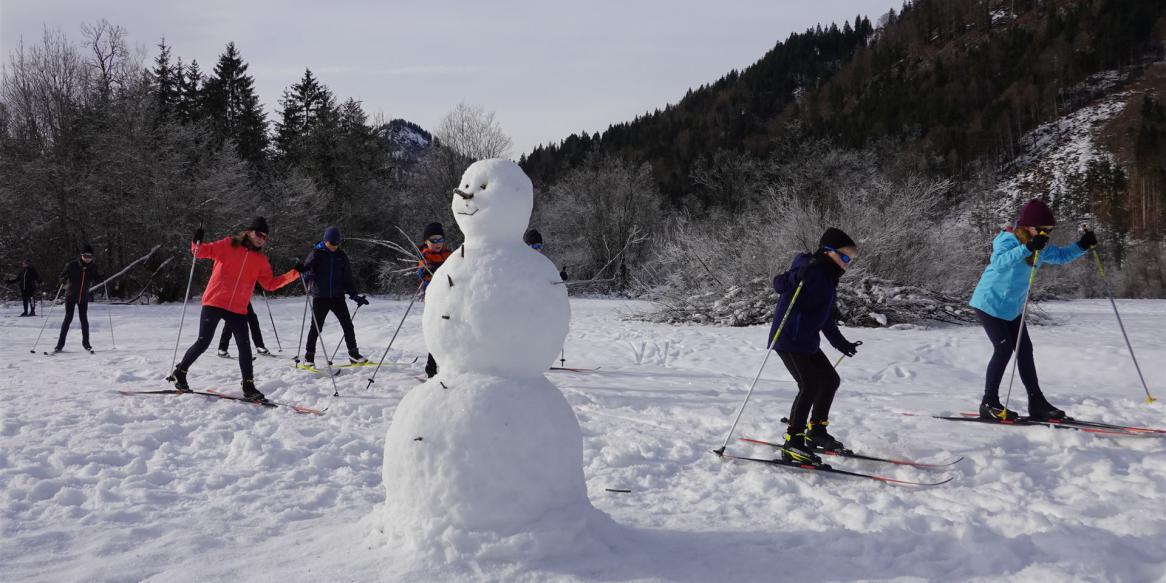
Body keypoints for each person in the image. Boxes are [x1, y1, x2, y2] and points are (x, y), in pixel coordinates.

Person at [970, 198, 1096, 421]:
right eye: (1042, 230)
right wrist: (1027, 247)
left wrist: (1082, 245)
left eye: (1049, 231)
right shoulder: (1007, 239)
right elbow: (999, 262)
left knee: (1025, 351)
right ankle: (988, 403)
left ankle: (1036, 403)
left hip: (1012, 308)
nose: (1046, 234)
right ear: (1027, 226)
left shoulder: (1041, 245)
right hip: (989, 303)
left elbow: (1061, 256)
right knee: (1003, 349)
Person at [170, 217, 300, 400]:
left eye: (265, 237)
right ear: (249, 232)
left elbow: (270, 284)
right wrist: (196, 240)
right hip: (215, 301)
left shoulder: (261, 260)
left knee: (245, 346)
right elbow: (199, 252)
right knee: (204, 341)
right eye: (259, 234)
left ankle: (248, 386)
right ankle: (180, 372)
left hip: (238, 307)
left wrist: (295, 273)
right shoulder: (229, 244)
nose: (261, 239)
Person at [769, 227, 862, 465]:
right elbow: (778, 284)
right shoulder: (808, 266)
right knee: (809, 385)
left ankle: (816, 432)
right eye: (844, 257)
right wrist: (796, 276)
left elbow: (825, 319)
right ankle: (793, 442)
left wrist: (842, 344)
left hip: (807, 341)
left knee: (830, 380)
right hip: (789, 338)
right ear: (827, 252)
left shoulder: (829, 280)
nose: (847, 264)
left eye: (850, 260)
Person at [301, 226, 368, 367]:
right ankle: (309, 357)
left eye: (337, 243)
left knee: (348, 325)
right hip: (321, 297)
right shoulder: (316, 254)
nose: (334, 246)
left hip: (337, 297)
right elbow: (304, 272)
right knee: (316, 328)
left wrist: (355, 296)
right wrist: (308, 276)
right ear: (325, 241)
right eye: (332, 243)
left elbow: (347, 279)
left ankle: (353, 354)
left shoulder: (341, 256)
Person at [54, 246, 103, 353]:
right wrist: (62, 280)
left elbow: (96, 277)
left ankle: (86, 344)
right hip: (71, 296)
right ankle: (59, 345)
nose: (87, 258)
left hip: (83, 297)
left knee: (84, 320)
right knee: (68, 319)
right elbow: (62, 276)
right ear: (81, 256)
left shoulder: (93, 267)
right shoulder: (72, 265)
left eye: (90, 256)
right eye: (85, 256)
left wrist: (101, 278)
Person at [419, 222, 452, 378]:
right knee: (436, 332)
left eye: (440, 240)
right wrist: (427, 270)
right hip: (434, 301)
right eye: (434, 240)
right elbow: (422, 273)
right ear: (426, 241)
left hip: (449, 299)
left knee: (449, 332)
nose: (438, 244)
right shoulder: (426, 255)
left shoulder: (450, 254)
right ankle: (431, 369)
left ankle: (449, 366)